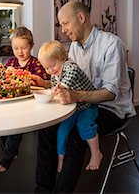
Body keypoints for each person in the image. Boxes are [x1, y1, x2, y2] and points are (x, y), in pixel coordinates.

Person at [35, 1, 136, 192]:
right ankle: (42, 189)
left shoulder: (112, 44)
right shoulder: (74, 47)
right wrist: (46, 84)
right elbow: (69, 80)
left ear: (81, 18)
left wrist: (75, 96)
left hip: (111, 109)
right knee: (46, 127)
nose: (63, 29)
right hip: (82, 104)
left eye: (65, 23)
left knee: (76, 135)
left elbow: (110, 93)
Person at [37, 40, 102, 174]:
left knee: (84, 126)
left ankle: (96, 153)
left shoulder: (69, 66)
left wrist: (62, 87)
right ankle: (61, 157)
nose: (50, 70)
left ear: (63, 58)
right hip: (73, 108)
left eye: (53, 65)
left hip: (87, 105)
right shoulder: (55, 75)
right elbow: (55, 89)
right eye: (46, 68)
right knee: (62, 131)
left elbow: (71, 74)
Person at [0, 26, 50, 173]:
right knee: (1, 125)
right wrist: (1, 73)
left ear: (31, 46)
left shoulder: (37, 64)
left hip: (29, 104)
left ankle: (7, 157)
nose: (20, 52)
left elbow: (46, 82)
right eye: (16, 48)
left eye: (24, 48)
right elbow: (3, 79)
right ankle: (11, 151)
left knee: (15, 127)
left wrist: (36, 81)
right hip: (12, 102)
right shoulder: (11, 63)